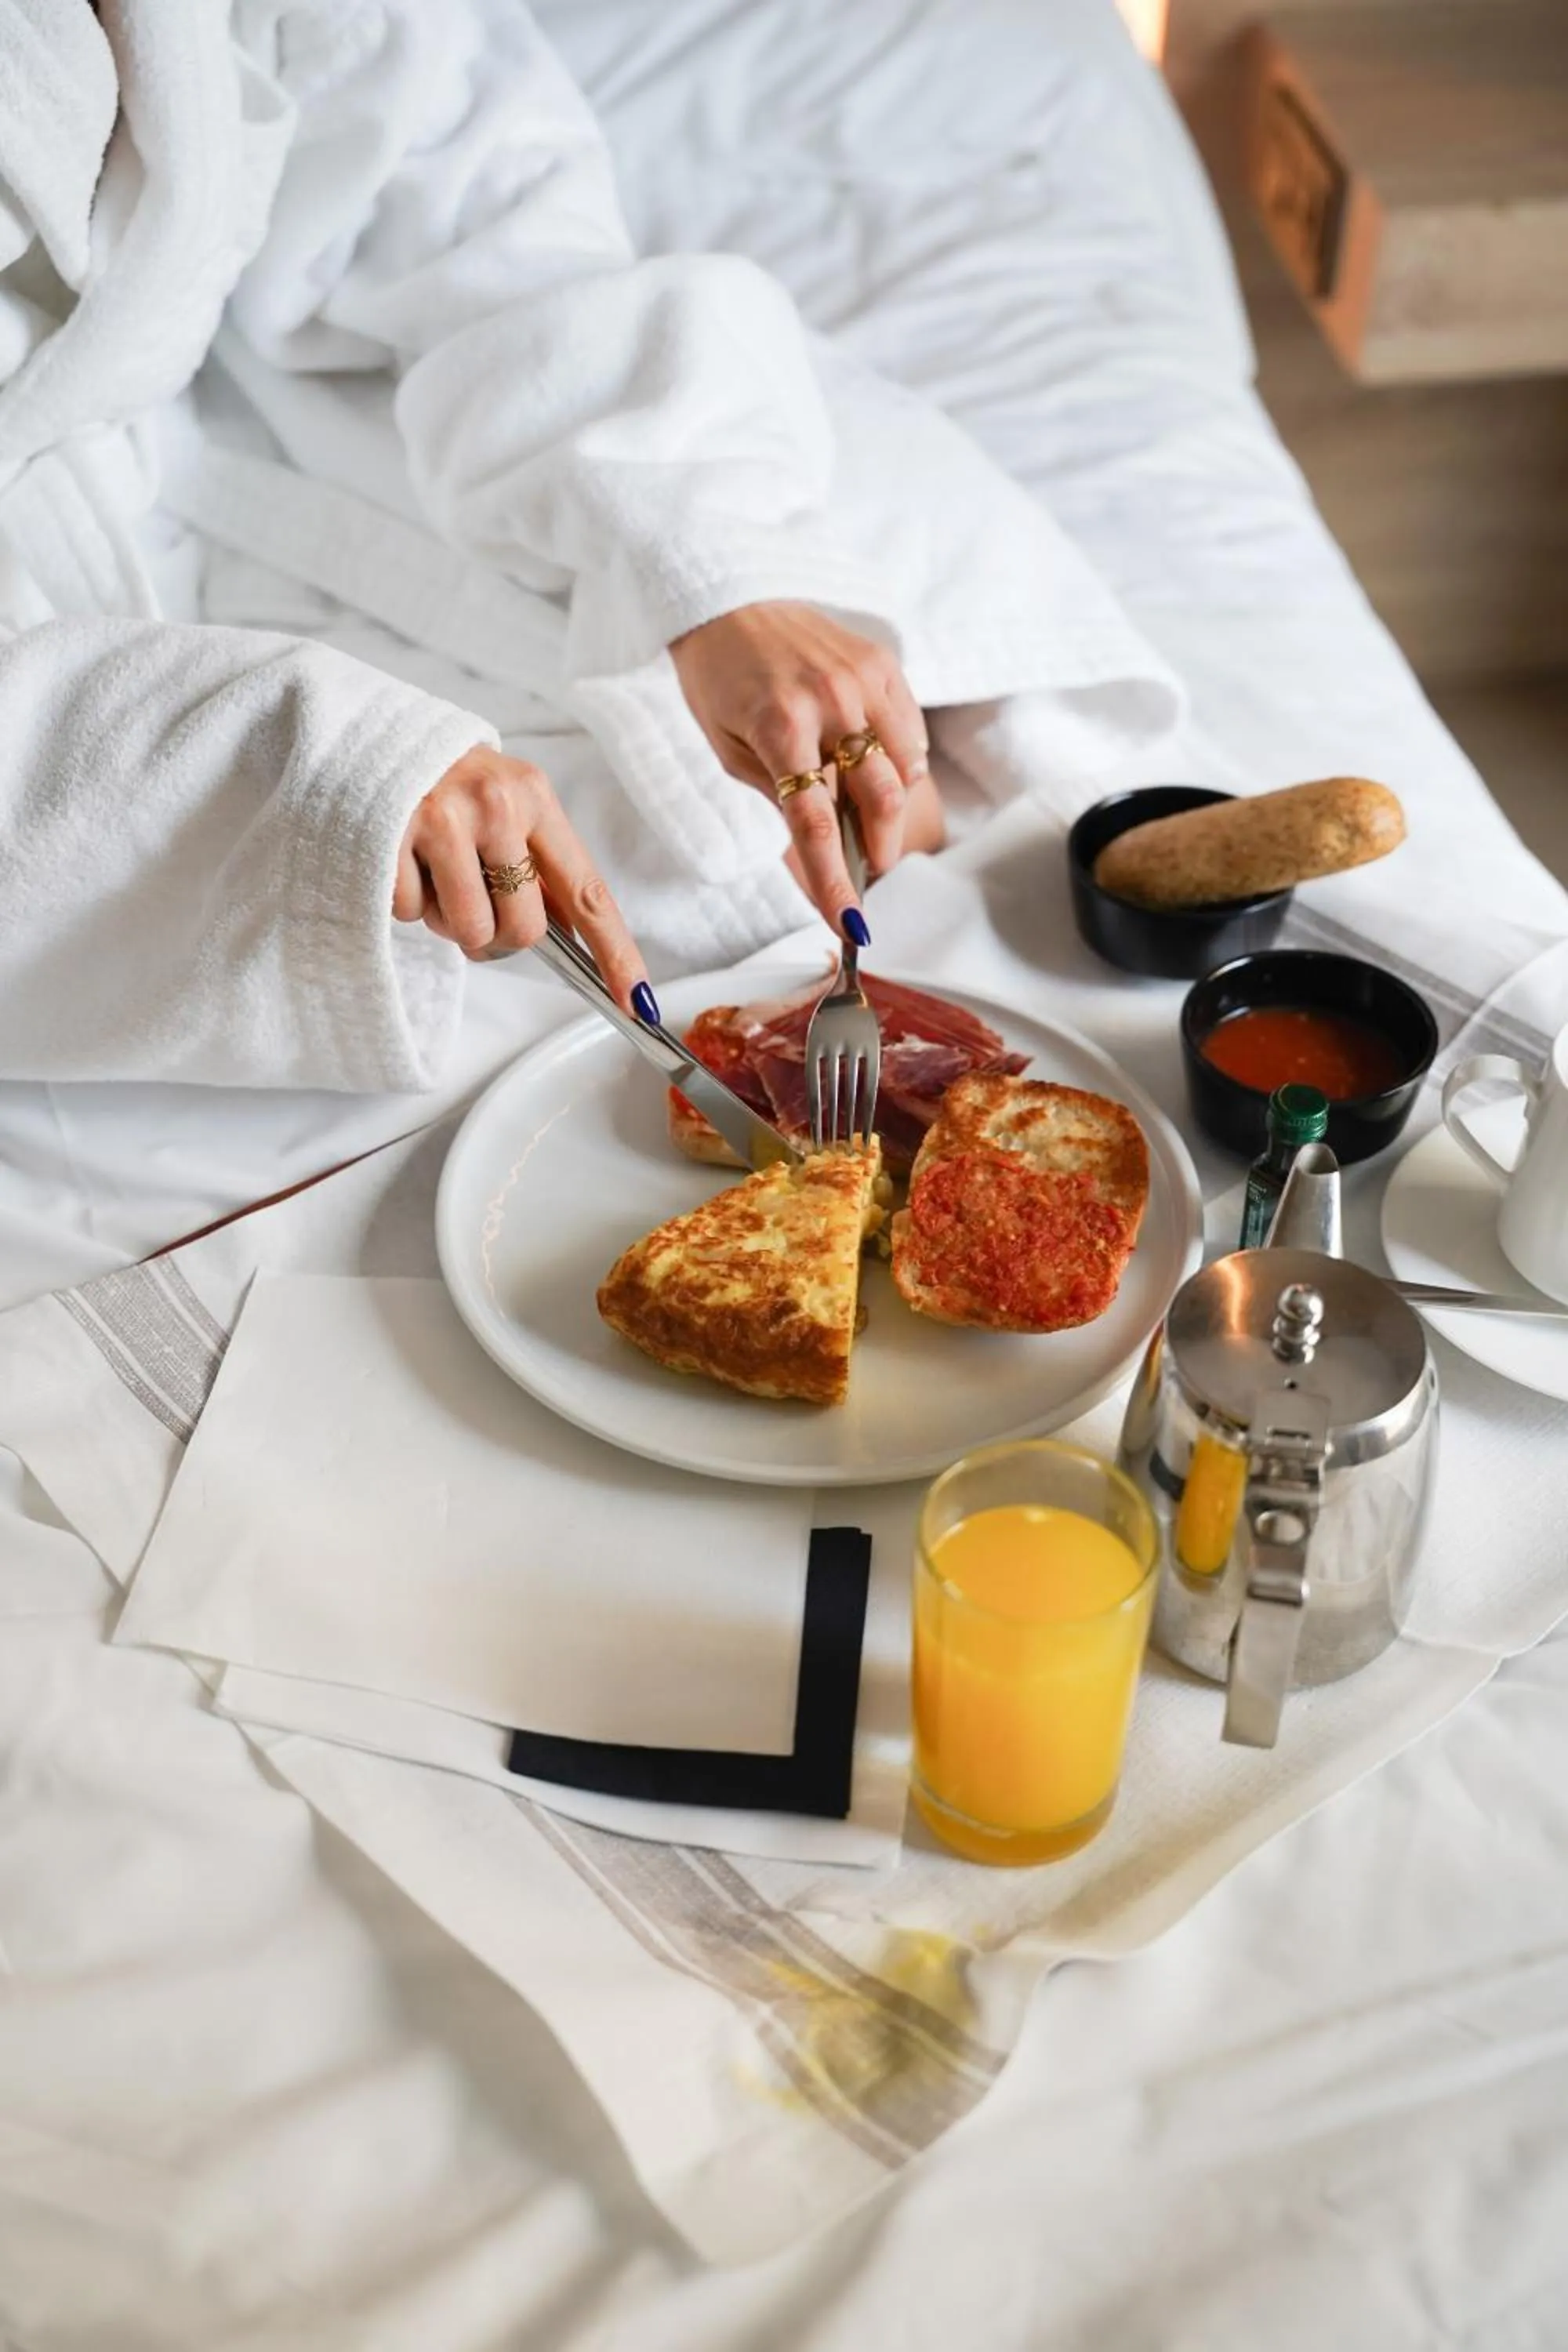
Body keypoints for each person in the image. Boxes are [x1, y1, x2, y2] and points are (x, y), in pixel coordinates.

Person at [0, 0, 1173, 1095]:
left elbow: (455, 173)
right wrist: (307, 760)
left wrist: (713, 570)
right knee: (578, 896)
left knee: (876, 534)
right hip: (68, 671)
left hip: (289, 390)